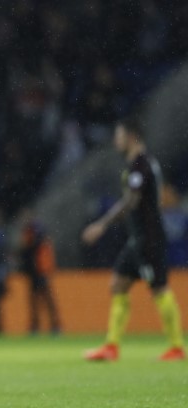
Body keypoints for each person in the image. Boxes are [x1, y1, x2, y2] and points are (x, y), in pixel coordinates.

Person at [82, 116, 185, 361]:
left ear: (131, 137)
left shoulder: (141, 164)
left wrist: (101, 224)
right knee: (118, 283)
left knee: (159, 288)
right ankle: (111, 346)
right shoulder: (139, 164)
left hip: (149, 239)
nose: (116, 141)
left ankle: (177, 347)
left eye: (118, 136)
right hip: (138, 238)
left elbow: (132, 201)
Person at [19, 209, 61, 335]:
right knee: (37, 301)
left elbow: (32, 250)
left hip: (40, 270)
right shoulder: (31, 231)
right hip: (35, 271)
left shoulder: (36, 231)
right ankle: (39, 326)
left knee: (45, 300)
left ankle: (52, 326)